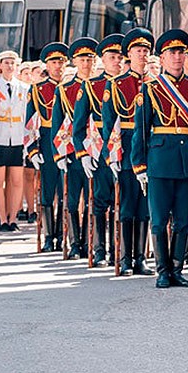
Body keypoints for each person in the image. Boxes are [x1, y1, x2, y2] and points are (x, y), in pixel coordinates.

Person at [132, 29, 188, 289]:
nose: (178, 57)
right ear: (162, 57)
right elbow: (140, 130)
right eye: (172, 53)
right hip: (159, 161)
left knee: (183, 218)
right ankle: (162, 271)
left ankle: (177, 269)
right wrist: (140, 165)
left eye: (181, 52)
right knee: (158, 220)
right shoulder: (151, 88)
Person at [103, 28, 154, 276]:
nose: (142, 55)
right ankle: (124, 257)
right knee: (126, 205)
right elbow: (108, 122)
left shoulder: (156, 84)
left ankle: (141, 258)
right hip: (125, 146)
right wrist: (110, 154)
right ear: (128, 55)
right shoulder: (116, 85)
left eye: (146, 51)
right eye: (137, 51)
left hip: (150, 148)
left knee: (144, 205)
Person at [73, 34, 123, 267]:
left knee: (122, 201)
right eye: (112, 57)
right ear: (103, 60)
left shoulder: (130, 83)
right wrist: (83, 154)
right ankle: (100, 249)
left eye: (120, 57)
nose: (117, 61)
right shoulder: (91, 86)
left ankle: (118, 250)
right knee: (101, 201)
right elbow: (79, 124)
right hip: (101, 149)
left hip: (125, 149)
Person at [54, 38, 97, 259]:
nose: (86, 63)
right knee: (71, 200)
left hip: (96, 151)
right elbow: (57, 122)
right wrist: (58, 153)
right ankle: (74, 242)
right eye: (82, 59)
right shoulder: (64, 90)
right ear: (74, 62)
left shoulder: (101, 84)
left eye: (90, 58)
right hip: (72, 151)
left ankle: (90, 240)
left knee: (93, 199)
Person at [26, 42, 68, 252]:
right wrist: (33, 150)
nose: (58, 66)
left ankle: (62, 236)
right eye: (53, 62)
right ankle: (49, 237)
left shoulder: (71, 87)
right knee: (48, 192)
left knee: (65, 192)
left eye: (61, 61)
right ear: (47, 65)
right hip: (47, 142)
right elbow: (29, 123)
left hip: (68, 142)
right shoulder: (37, 89)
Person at [0, 51, 29, 232]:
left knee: (17, 181)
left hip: (17, 138)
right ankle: (2, 218)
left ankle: (13, 219)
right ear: (0, 66)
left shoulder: (24, 88)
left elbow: (27, 117)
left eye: (12, 63)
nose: (9, 66)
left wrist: (28, 141)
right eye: (6, 63)